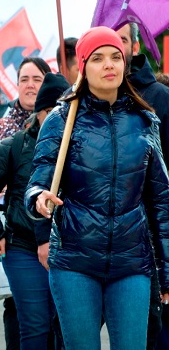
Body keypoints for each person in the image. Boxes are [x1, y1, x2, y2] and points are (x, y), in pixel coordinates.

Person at [26, 26, 169, 349]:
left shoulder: (146, 121)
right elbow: (37, 180)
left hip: (132, 263)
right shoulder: (61, 120)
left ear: (125, 63)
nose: (109, 64)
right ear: (83, 67)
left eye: (116, 57)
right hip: (74, 261)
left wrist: (167, 271)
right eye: (98, 58)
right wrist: (39, 198)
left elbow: (162, 201)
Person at [0, 72, 69, 349]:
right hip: (22, 249)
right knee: (34, 325)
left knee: (63, 327)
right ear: (39, 113)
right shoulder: (15, 146)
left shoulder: (81, 146)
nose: (59, 118)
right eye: (51, 111)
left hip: (69, 250)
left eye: (65, 110)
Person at [116, 22, 169, 350]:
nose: (112, 52)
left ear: (134, 48)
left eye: (121, 41)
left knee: (152, 325)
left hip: (151, 229)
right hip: (98, 239)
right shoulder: (81, 103)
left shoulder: (160, 97)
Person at [0, 57, 51, 167]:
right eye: (24, 80)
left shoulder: (58, 125)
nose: (30, 85)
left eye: (37, 80)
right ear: (17, 84)